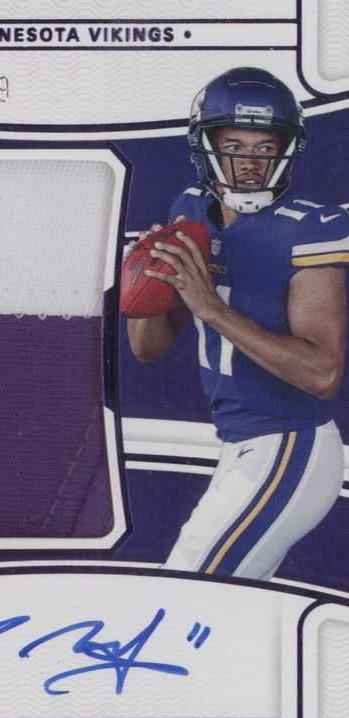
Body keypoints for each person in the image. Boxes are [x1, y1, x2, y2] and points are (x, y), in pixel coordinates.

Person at [127, 67, 349, 580]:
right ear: (206, 146)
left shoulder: (310, 229)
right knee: (224, 602)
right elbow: (147, 349)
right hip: (240, 445)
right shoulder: (190, 211)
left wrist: (212, 309)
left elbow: (322, 374)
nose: (250, 162)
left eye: (265, 147)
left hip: (289, 444)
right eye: (234, 145)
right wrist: (149, 281)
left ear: (286, 149)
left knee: (190, 590)